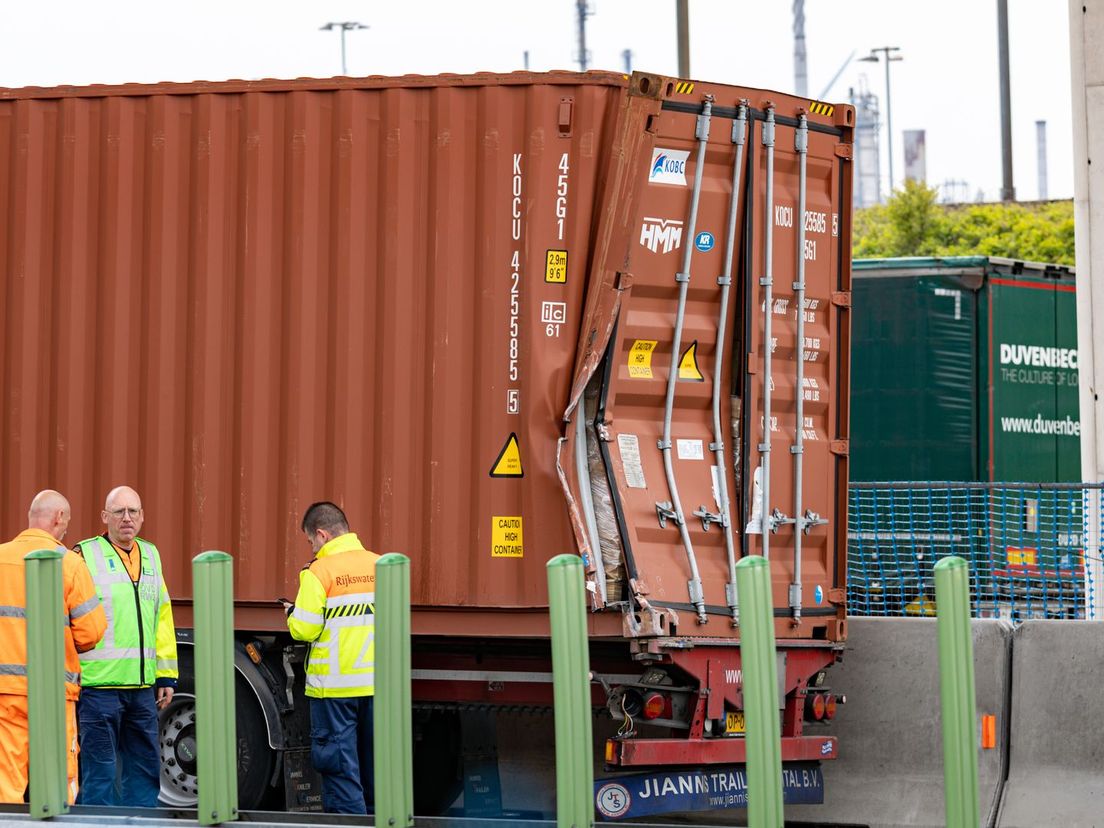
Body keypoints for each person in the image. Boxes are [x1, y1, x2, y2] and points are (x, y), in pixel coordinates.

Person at [74, 485, 178, 808]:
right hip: (98, 688)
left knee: (145, 770)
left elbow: (162, 615)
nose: (127, 518)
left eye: (133, 511)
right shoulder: (84, 554)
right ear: (105, 517)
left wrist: (166, 675)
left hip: (141, 690)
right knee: (101, 772)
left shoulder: (151, 554)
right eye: (119, 512)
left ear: (143, 516)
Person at [0, 490, 106, 804]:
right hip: (54, 693)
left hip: (6, 690)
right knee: (61, 778)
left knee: (6, 777)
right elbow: (91, 632)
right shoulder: (70, 564)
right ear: (58, 518)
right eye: (66, 523)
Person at [287, 501, 380, 814]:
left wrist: (291, 614)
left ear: (322, 535)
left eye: (311, 540)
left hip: (334, 692)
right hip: (377, 689)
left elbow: (304, 630)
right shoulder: (380, 565)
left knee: (341, 774)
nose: (312, 547)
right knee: (377, 773)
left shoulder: (319, 571)